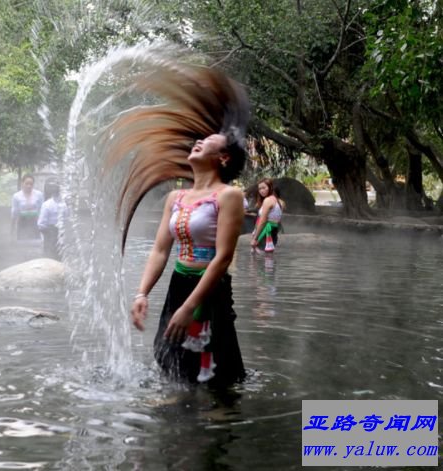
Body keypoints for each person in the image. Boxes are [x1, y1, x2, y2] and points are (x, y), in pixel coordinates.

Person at [103, 64, 248, 386]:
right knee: (169, 355)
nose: (197, 141)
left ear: (223, 158)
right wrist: (141, 293)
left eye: (207, 141)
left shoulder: (228, 196)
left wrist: (190, 307)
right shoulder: (177, 197)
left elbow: (223, 258)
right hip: (179, 283)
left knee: (214, 365)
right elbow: (159, 250)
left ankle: (218, 421)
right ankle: (178, 417)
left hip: (208, 290)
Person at [37, 179, 69, 259]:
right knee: (49, 258)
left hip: (61, 235)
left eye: (57, 187)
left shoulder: (64, 205)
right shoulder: (47, 205)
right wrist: (49, 235)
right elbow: (41, 225)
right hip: (50, 235)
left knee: (59, 258)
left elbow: (67, 220)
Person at [251, 178, 284, 253]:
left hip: (265, 233)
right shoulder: (277, 201)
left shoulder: (267, 200)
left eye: (264, 188)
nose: (261, 191)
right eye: (259, 189)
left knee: (259, 259)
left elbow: (262, 221)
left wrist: (255, 238)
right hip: (273, 232)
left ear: (270, 187)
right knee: (268, 258)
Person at [11, 174, 44, 241]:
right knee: (22, 243)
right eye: (27, 183)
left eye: (31, 184)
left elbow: (42, 210)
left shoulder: (39, 194)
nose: (29, 186)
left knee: (36, 243)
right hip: (22, 222)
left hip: (35, 222)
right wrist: (12, 228)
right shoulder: (16, 196)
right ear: (22, 183)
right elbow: (14, 212)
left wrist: (42, 225)